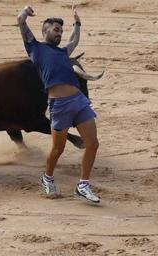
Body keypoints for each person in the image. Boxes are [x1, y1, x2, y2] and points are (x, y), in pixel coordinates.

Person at [17, 5, 100, 203]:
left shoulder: (63, 52)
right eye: (56, 30)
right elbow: (20, 22)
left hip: (78, 101)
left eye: (61, 31)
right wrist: (25, 12)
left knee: (93, 144)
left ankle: (83, 185)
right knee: (57, 149)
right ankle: (47, 178)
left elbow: (74, 40)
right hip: (59, 105)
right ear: (45, 31)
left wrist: (77, 23)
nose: (60, 34)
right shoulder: (35, 48)